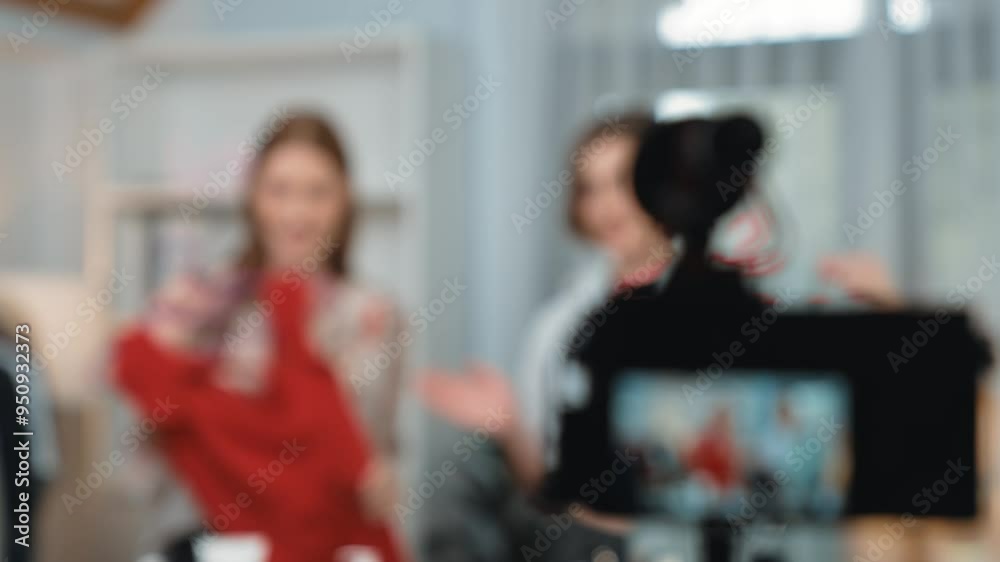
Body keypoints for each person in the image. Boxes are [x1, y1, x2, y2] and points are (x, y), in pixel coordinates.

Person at [418, 112, 905, 560]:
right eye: (590, 189)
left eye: (622, 182)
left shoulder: (744, 312)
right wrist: (509, 426)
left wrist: (892, 324)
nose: (607, 206)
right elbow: (553, 484)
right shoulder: (562, 328)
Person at [113, 112, 406, 562]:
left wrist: (380, 479)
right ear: (253, 195)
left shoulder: (375, 316)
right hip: (210, 539)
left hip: (330, 543)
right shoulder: (196, 305)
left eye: (317, 192)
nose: (297, 212)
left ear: (344, 198)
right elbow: (141, 451)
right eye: (279, 190)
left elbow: (379, 448)